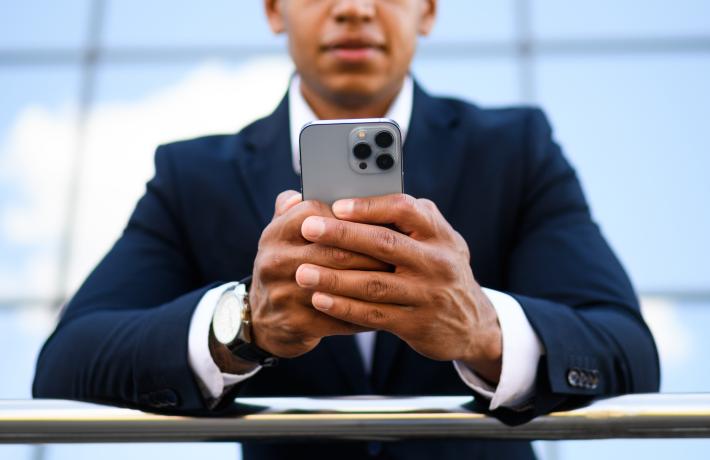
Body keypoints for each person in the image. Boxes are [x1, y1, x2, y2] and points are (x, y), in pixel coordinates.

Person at [33, 1, 660, 459]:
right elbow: (65, 367)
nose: (355, 9)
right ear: (275, 10)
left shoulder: (516, 150)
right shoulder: (194, 175)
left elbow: (626, 353)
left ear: (429, 12)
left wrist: (482, 330)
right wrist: (244, 324)